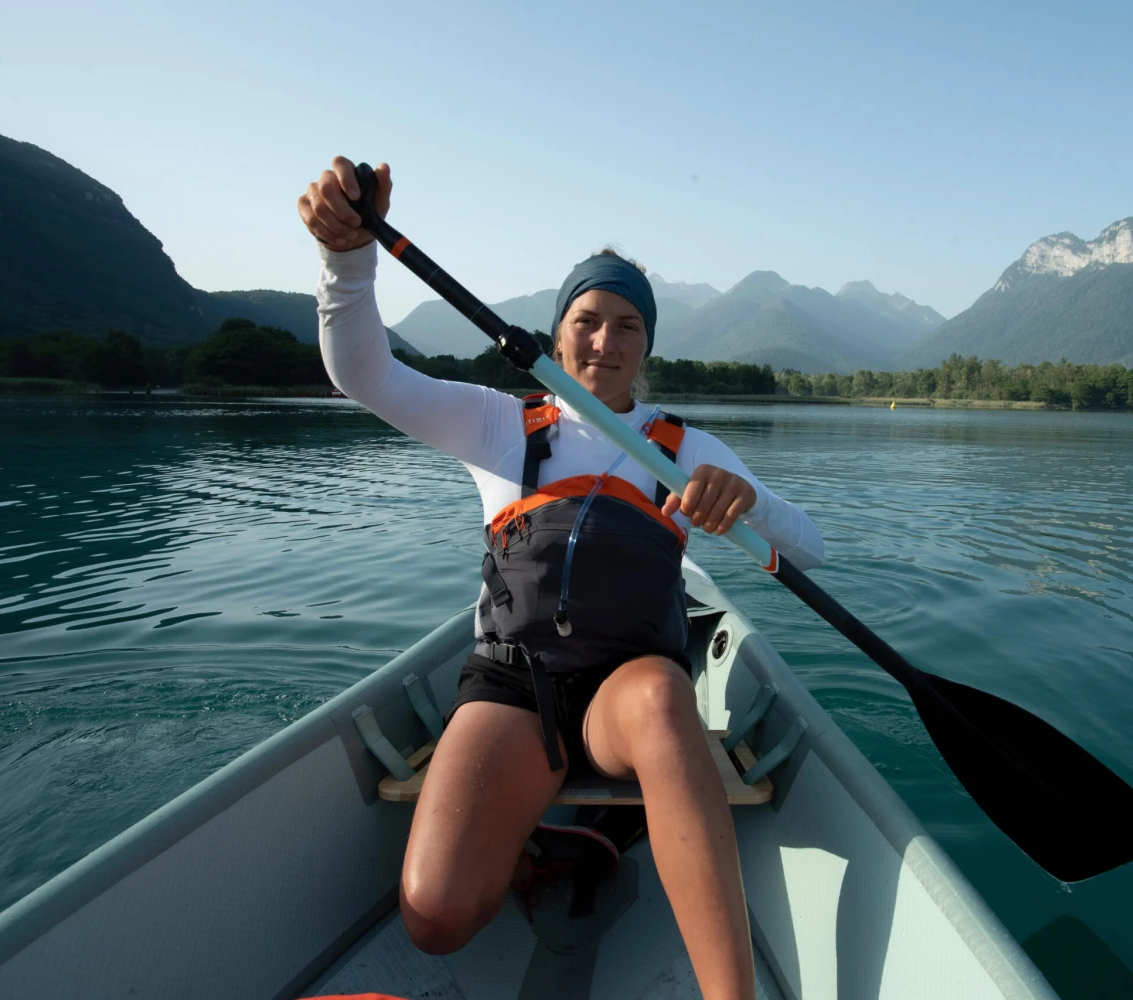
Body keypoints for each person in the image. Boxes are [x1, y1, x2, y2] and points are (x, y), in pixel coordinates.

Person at [298, 157, 823, 1000]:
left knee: (664, 699)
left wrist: (746, 499)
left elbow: (811, 547)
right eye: (587, 320)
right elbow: (364, 374)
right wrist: (346, 260)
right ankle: (539, 847)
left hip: (629, 695)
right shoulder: (497, 422)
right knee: (435, 920)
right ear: (557, 331)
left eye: (627, 326)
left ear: (647, 345)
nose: (605, 342)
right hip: (515, 688)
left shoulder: (685, 448)